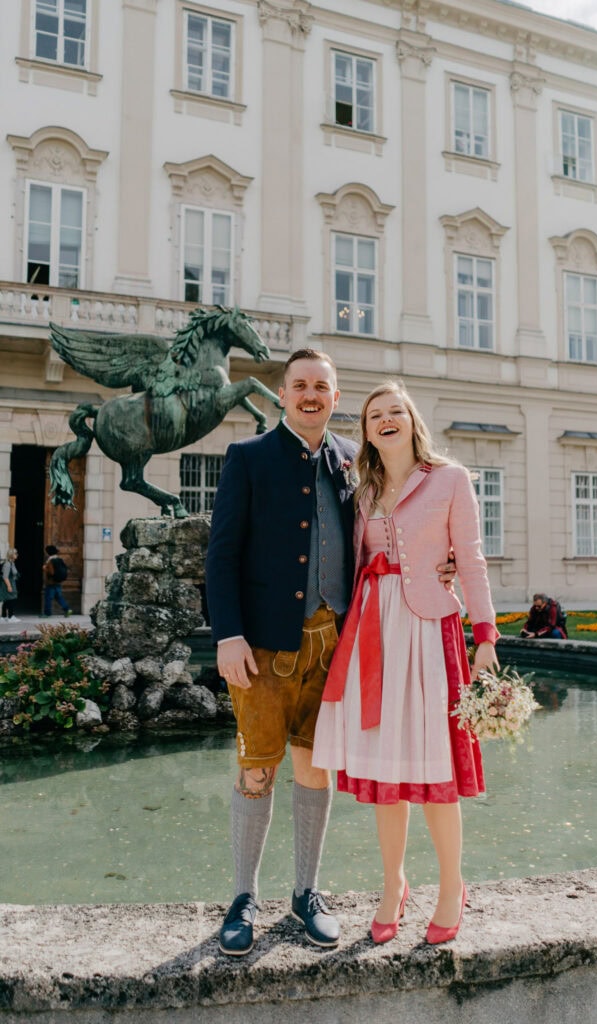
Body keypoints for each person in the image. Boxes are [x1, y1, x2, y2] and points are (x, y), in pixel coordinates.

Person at [205, 351, 456, 957]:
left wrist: (436, 565)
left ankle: (306, 893)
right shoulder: (248, 457)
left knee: (315, 770)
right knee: (257, 768)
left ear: (335, 396)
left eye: (322, 385)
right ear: (283, 394)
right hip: (263, 647)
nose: (311, 394)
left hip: (337, 645)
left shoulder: (354, 461)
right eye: (300, 386)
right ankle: (243, 899)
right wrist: (227, 634)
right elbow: (221, 553)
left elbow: (391, 529)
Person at [312, 381, 499, 947]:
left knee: (436, 768)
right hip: (374, 631)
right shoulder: (362, 488)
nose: (386, 420)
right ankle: (393, 884)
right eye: (375, 415)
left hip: (429, 630)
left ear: (412, 419)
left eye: (396, 411)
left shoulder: (450, 479)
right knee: (385, 772)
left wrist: (485, 635)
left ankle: (451, 885)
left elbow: (470, 559)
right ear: (365, 430)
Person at [42, 545, 72, 618]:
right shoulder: (59, 559)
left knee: (48, 598)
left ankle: (47, 613)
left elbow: (51, 572)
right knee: (59, 597)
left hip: (51, 582)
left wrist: (45, 569)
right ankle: (67, 609)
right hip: (58, 582)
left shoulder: (50, 560)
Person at [0, 548, 20, 623]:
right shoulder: (7, 564)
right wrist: (9, 586)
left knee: (7, 600)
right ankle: (11, 617)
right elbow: (5, 577)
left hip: (11, 583)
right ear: (11, 555)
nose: (17, 555)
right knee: (11, 600)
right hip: (7, 583)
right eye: (15, 553)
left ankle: (4, 617)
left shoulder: (12, 563)